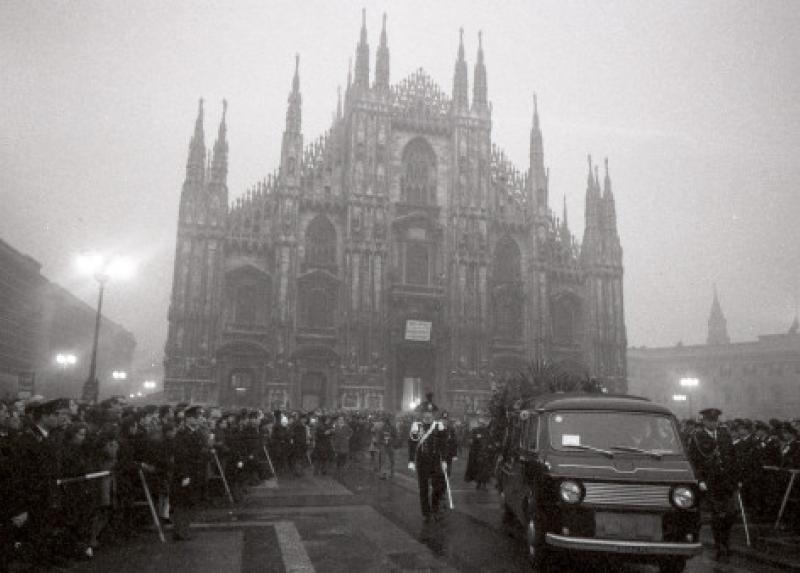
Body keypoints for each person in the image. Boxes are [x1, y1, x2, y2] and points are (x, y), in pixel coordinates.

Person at [686, 408, 740, 562]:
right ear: (703, 421)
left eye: (715, 420)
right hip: (710, 482)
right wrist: (700, 480)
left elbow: (732, 457)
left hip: (727, 481)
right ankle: (720, 547)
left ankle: (726, 542)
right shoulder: (697, 437)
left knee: (730, 514)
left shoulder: (724, 435)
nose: (713, 423)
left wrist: (737, 478)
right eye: (710, 420)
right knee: (718, 515)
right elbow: (694, 462)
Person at [171, 406, 209, 541]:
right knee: (182, 503)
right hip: (186, 472)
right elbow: (181, 456)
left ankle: (184, 530)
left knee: (191, 502)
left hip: (196, 472)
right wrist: (184, 475)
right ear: (188, 419)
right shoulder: (182, 435)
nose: (198, 420)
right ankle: (180, 532)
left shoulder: (197, 433)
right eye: (196, 417)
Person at [408, 403, 448, 523]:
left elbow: (443, 444)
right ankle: (426, 512)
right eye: (425, 413)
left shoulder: (438, 426)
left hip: (435, 460)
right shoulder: (417, 426)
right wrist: (411, 460)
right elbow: (412, 444)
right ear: (422, 414)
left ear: (433, 415)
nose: (428, 415)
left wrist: (444, 460)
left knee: (437, 486)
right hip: (422, 461)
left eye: (430, 413)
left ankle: (435, 509)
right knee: (423, 488)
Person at [464, 415, 493, 490]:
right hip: (477, 453)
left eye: (483, 423)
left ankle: (483, 484)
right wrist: (474, 439)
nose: (482, 425)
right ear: (479, 423)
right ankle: (479, 484)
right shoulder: (475, 430)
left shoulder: (487, 431)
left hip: (485, 453)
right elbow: (470, 440)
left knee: (485, 469)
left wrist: (490, 446)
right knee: (479, 469)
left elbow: (490, 441)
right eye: (480, 423)